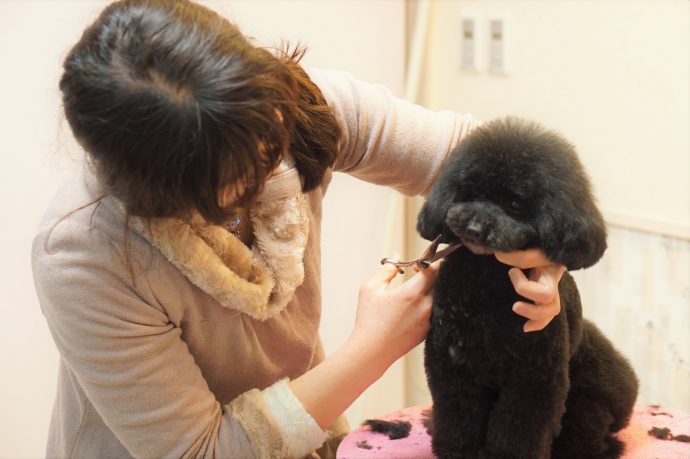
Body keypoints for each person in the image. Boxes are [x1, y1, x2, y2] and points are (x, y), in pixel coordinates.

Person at [31, 0, 565, 457]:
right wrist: (373, 348)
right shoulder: (83, 254)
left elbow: (497, 165)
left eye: (268, 146)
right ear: (162, 192)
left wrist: (544, 258)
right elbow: (201, 451)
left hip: (306, 431)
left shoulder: (298, 109)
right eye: (238, 179)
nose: (270, 172)